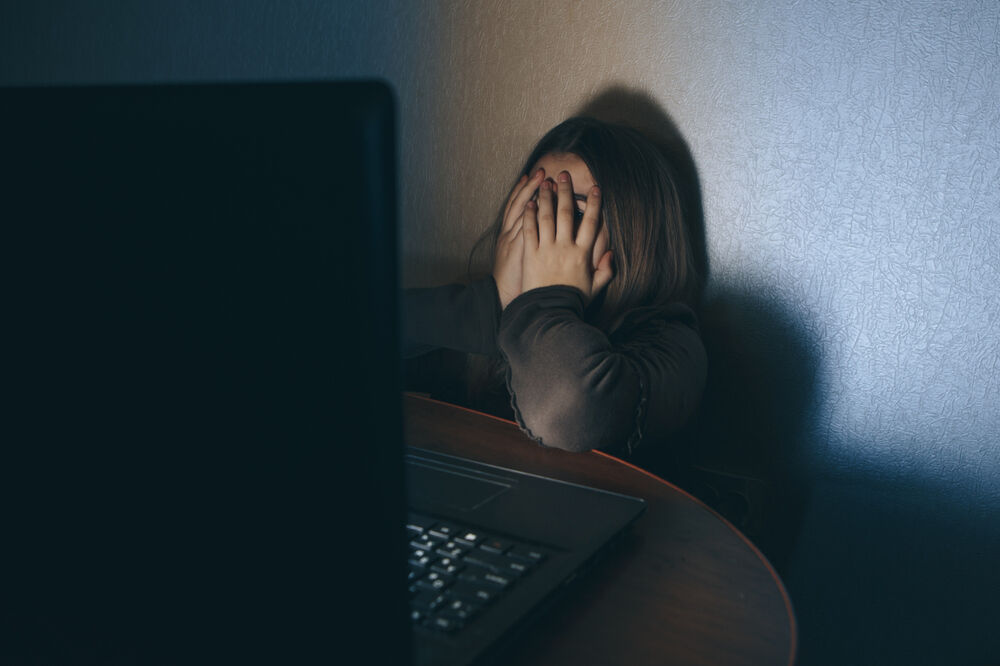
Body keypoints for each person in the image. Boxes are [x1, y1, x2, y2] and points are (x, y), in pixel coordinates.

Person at [403, 117, 706, 457]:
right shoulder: (493, 320)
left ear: (633, 235)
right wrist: (494, 306)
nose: (540, 230)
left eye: (569, 213)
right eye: (533, 207)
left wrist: (544, 302)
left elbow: (566, 412)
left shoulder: (671, 347)